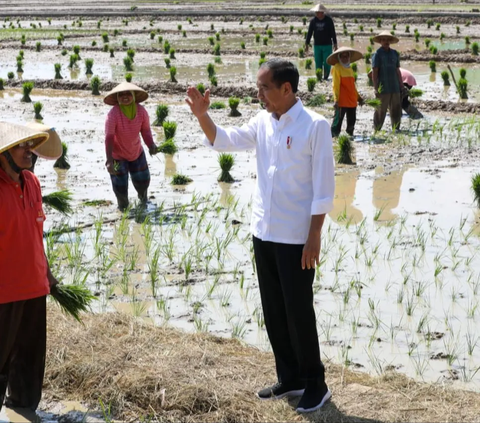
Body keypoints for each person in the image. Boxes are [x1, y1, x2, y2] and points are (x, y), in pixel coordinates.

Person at [186, 58, 335, 413]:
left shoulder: (315, 126)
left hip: (296, 236)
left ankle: (316, 383)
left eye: (264, 88)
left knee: (299, 311)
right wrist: (202, 115)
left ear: (287, 89)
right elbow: (224, 140)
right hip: (263, 232)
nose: (259, 95)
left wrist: (314, 236)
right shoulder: (263, 123)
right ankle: (291, 378)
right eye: (258, 88)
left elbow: (324, 188)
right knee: (274, 310)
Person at [0, 121, 61, 414]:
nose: (29, 151)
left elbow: (35, 235)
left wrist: (47, 273)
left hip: (35, 287)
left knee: (29, 359)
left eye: (30, 145)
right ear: (3, 154)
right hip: (4, 291)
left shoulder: (33, 183)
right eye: (20, 145)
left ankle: (22, 411)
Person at [104, 82, 158, 211]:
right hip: (117, 155)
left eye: (128, 94)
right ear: (117, 98)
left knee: (143, 181)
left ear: (133, 96)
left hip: (136, 152)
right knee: (120, 186)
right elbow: (109, 137)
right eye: (121, 95)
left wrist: (151, 144)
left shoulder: (141, 111)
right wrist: (109, 160)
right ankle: (123, 208)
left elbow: (145, 131)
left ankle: (143, 201)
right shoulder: (113, 114)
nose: (125, 97)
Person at [371, 31, 404, 132]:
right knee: (381, 110)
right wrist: (376, 88)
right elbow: (375, 72)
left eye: (388, 40)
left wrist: (401, 85)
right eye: (383, 40)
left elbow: (397, 70)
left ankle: (396, 128)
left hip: (394, 86)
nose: (386, 42)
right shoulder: (377, 54)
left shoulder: (394, 53)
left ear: (390, 41)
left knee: (396, 109)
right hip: (383, 87)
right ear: (380, 41)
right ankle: (377, 129)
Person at [327, 46, 364, 137]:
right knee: (337, 123)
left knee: (351, 123)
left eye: (346, 56)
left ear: (349, 57)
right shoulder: (337, 68)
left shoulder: (350, 69)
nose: (345, 58)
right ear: (339, 57)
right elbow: (336, 85)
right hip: (341, 101)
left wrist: (359, 98)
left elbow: (352, 87)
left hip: (351, 101)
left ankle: (349, 139)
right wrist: (336, 100)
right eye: (342, 56)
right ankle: (333, 139)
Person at [305, 4, 338, 80]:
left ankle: (326, 77)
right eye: (316, 12)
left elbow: (333, 32)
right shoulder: (313, 21)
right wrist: (307, 43)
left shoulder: (328, 20)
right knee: (318, 61)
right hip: (317, 45)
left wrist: (335, 44)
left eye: (318, 12)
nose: (316, 13)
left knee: (327, 62)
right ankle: (319, 77)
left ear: (322, 12)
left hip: (327, 45)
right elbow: (309, 32)